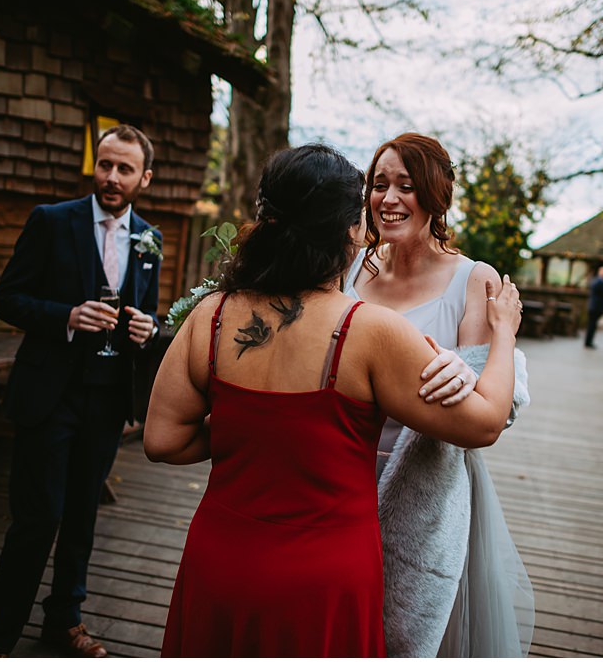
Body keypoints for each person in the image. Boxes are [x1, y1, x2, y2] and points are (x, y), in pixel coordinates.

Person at [143, 144, 523, 657]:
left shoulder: (210, 315)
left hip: (221, 557)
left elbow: (162, 439)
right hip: (324, 574)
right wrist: (503, 335)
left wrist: (253, 428)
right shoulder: (367, 329)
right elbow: (483, 425)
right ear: (349, 231)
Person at [343, 132, 534, 657]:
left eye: (406, 185)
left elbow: (478, 392)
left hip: (425, 481)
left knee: (411, 630)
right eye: (379, 184)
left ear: (435, 196)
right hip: (344, 470)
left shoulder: (473, 280)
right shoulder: (350, 269)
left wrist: (463, 370)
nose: (389, 198)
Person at [0, 124, 162, 658]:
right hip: (49, 395)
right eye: (105, 164)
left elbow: (144, 309)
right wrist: (68, 316)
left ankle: (65, 621)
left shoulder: (151, 238)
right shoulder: (51, 222)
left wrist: (147, 328)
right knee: (37, 519)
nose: (111, 177)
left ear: (143, 177)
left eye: (125, 169)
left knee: (82, 515)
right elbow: (6, 299)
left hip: (106, 399)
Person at [584, 266, 603, 348]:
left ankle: (588, 342)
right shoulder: (600, 282)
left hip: (593, 306)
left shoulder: (596, 281)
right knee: (592, 325)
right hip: (596, 307)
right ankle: (588, 342)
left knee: (591, 325)